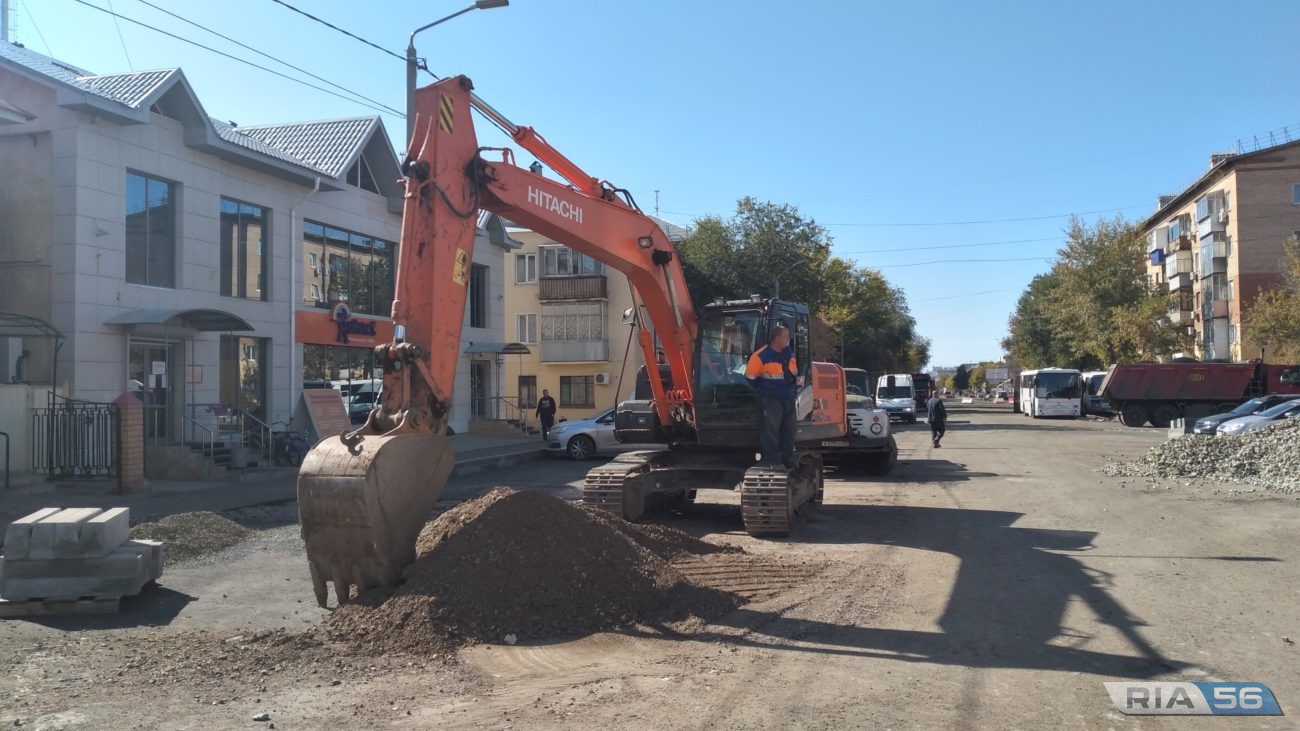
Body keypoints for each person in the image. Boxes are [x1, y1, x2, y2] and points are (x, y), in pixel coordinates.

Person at [745, 324, 802, 470]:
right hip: (771, 398)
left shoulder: (788, 352)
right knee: (771, 429)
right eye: (786, 336)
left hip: (788, 397)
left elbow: (793, 372)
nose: (789, 339)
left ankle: (787, 459)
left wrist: (795, 384)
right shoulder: (760, 356)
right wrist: (765, 389)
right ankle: (773, 460)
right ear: (776, 338)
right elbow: (751, 377)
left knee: (789, 429)